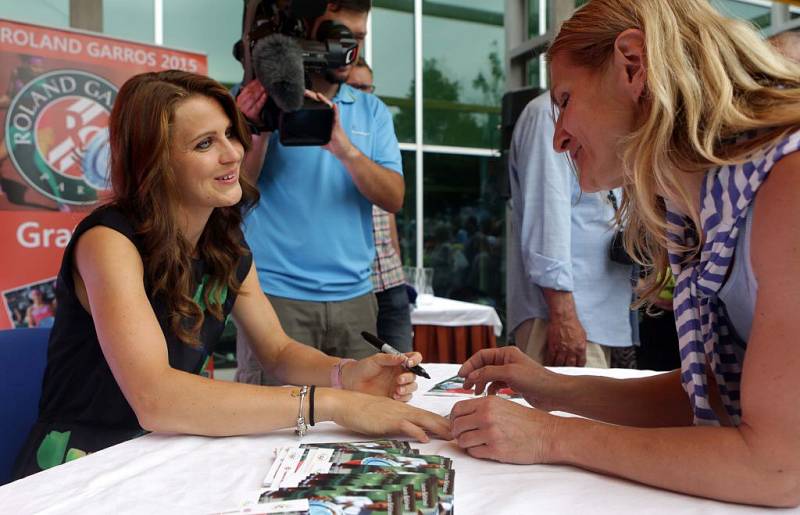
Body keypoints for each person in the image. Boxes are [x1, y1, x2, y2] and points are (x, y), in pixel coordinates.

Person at [11, 70, 449, 480]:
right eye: (204, 144)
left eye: (229, 134)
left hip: (168, 452)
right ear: (155, 161)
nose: (233, 153)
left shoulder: (224, 242)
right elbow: (156, 399)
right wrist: (333, 403)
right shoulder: (109, 241)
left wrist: (346, 373)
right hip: (82, 467)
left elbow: (277, 351)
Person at [449, 0, 800, 506]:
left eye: (565, 99)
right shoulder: (714, 199)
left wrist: (550, 435)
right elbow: (714, 397)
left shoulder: (788, 180)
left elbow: (777, 467)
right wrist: (552, 389)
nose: (558, 137)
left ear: (632, 63)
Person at [235, 0, 405, 385]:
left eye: (359, 38)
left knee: (357, 424)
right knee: (272, 429)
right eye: (339, 36)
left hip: (356, 299)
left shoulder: (372, 109)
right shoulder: (253, 102)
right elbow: (235, 196)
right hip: (275, 298)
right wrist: (257, 130)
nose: (350, 49)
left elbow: (393, 198)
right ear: (304, 34)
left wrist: (344, 148)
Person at [508, 90, 633, 368]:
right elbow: (546, 218)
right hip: (565, 317)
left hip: (599, 317)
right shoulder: (547, 114)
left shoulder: (595, 112)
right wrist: (563, 315)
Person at [347, 57, 412, 353]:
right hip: (353, 287)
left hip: (389, 281)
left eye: (366, 87)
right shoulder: (333, 144)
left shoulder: (378, 136)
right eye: (353, 87)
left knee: (404, 371)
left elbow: (391, 212)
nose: (361, 94)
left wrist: (397, 264)